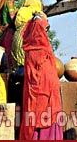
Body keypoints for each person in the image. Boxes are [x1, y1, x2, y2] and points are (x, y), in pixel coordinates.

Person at [19, 12, 63, 140]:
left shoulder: (30, 49)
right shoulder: (39, 50)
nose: (46, 33)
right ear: (38, 29)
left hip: (40, 96)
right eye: (44, 29)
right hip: (43, 96)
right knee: (43, 126)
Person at [11, 0, 43, 70]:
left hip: (16, 38)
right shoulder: (36, 12)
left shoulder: (21, 10)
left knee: (18, 67)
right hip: (25, 38)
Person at [0, 0, 19, 69]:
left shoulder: (7, 4)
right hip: (10, 32)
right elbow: (13, 18)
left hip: (6, 33)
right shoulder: (9, 4)